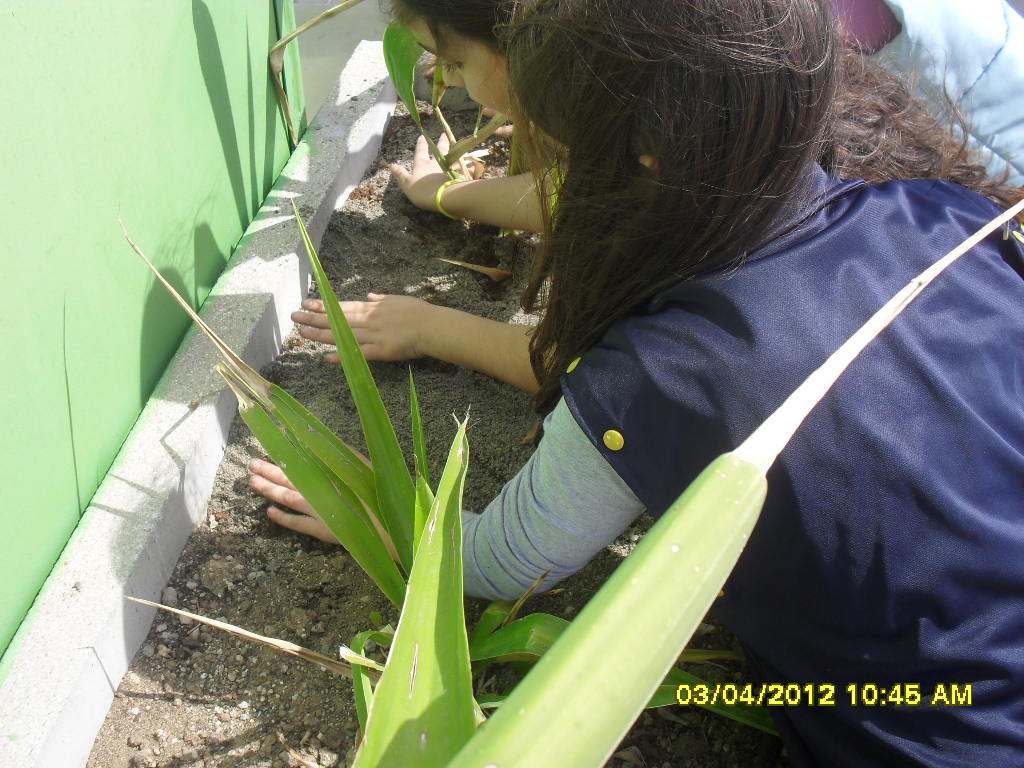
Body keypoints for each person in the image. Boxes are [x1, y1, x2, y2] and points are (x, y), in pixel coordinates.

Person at [248, 0, 1024, 764]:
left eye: (558, 138)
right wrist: (443, 205)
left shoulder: (658, 375)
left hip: (933, 730)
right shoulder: (942, 216)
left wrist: (368, 517)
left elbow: (505, 559)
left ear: (639, 154)